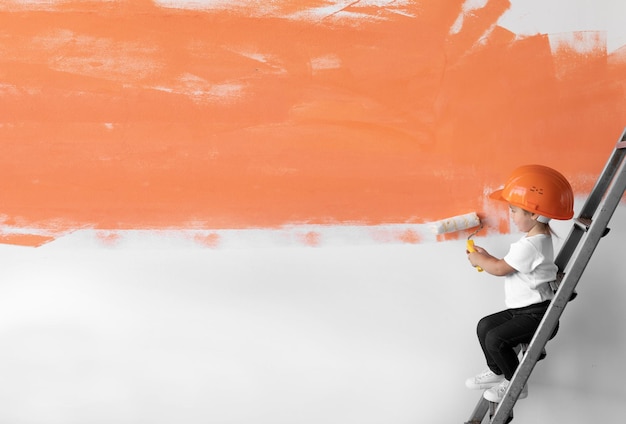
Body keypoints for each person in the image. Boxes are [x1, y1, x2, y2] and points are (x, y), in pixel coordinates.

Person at [465, 164, 574, 402]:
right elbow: (506, 264)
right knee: (485, 326)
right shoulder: (535, 240)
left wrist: (479, 259)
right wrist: (487, 257)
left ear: (533, 214)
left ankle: (515, 384)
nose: (511, 215)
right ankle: (497, 372)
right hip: (522, 312)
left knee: (496, 339)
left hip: (536, 316)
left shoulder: (530, 245)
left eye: (514, 211)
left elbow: (500, 269)